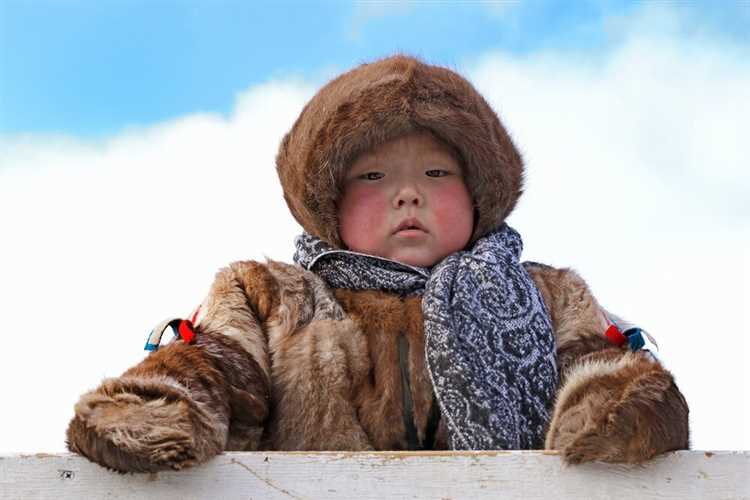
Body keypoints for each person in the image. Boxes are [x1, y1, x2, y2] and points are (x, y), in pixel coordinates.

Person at [66, 55, 689, 473]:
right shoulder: (270, 294)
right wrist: (165, 405)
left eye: (437, 173)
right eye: (373, 175)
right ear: (329, 201)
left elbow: (599, 363)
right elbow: (220, 366)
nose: (408, 193)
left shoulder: (544, 296)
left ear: (480, 194)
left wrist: (624, 404)